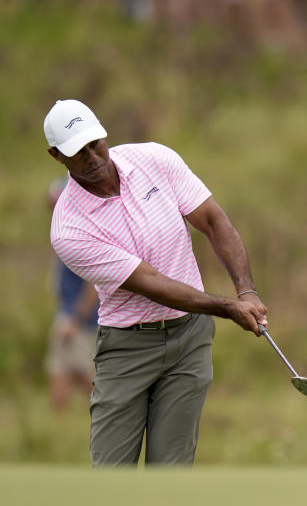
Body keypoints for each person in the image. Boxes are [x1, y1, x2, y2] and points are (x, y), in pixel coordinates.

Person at [45, 99, 269, 466]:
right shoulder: (69, 229)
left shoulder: (153, 159)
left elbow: (213, 220)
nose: (92, 157)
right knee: (111, 475)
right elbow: (150, 281)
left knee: (170, 472)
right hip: (127, 349)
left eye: (94, 144)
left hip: (189, 339)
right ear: (56, 156)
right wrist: (229, 307)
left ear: (103, 132)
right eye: (77, 152)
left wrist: (246, 290)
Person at [46, 177, 100, 412]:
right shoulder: (63, 232)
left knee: (81, 372)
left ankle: (106, 414)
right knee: (60, 368)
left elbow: (93, 284)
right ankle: (57, 422)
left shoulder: (78, 236)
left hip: (77, 320)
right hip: (68, 314)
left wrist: (75, 320)